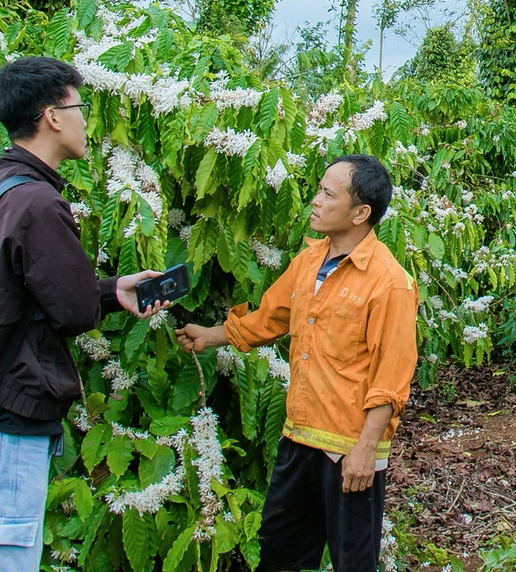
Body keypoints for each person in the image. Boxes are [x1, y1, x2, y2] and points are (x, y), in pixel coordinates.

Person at [0, 56, 166, 572]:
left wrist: (110, 289)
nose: (86, 122)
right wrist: (96, 295)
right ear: (53, 115)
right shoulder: (37, 202)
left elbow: (23, 289)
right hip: (10, 408)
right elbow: (71, 310)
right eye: (80, 107)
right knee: (1, 555)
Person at [175, 154, 417, 572]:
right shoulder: (308, 261)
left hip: (348, 452)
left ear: (361, 213)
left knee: (353, 562)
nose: (316, 201)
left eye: (328, 194)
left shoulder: (390, 282)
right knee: (279, 554)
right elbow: (270, 318)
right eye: (318, 190)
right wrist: (210, 336)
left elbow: (391, 377)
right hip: (298, 438)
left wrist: (365, 450)